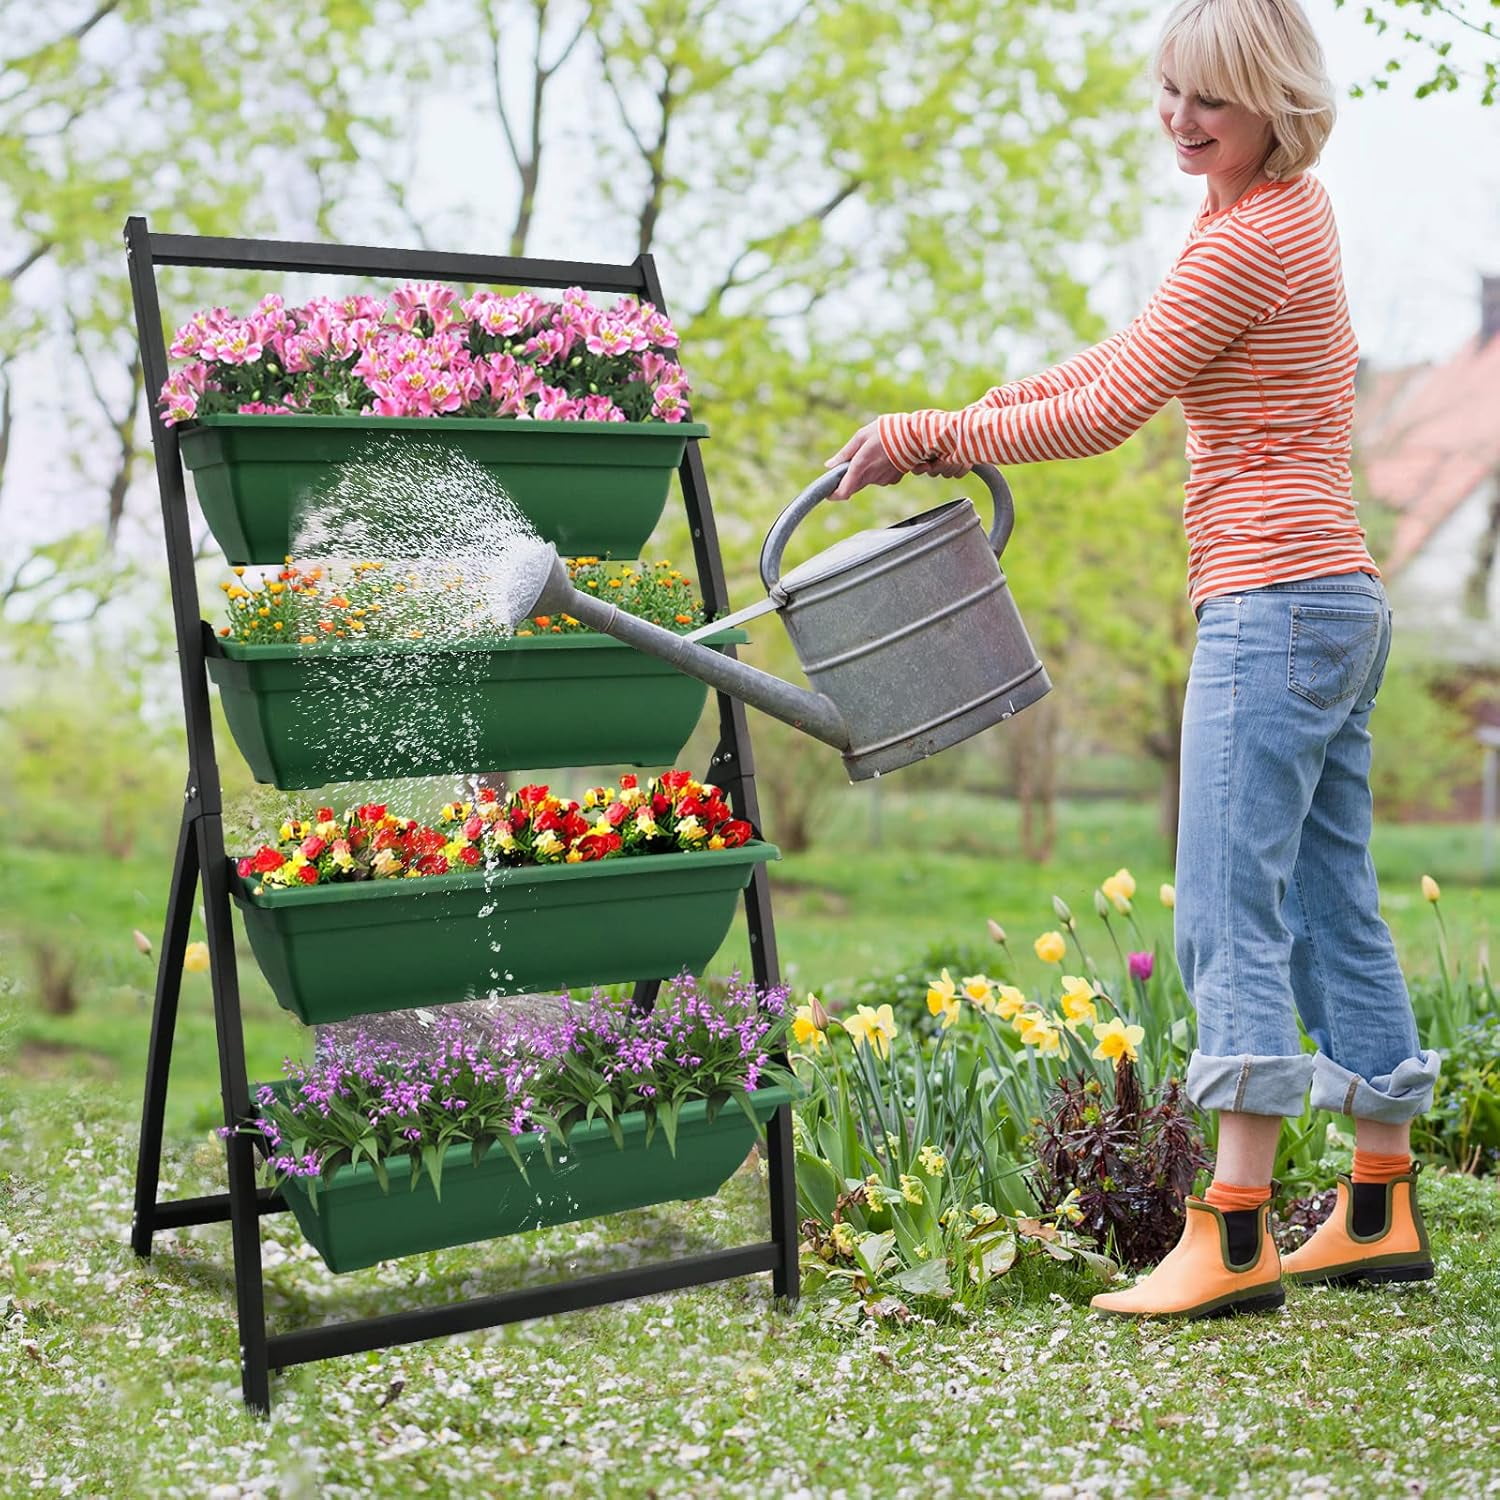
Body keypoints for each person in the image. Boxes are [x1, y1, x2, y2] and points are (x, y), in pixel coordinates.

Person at [826, 0, 1440, 1319]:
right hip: (1331, 594)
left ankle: (1229, 1236)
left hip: (1271, 602)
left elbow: (1111, 412)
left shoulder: (1250, 234)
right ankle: (1378, 1207)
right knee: (1331, 901)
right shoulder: (1270, 214)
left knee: (1227, 903)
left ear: (1273, 98)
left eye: (1207, 99)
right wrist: (989, 410)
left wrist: (925, 434)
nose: (1178, 117)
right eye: (1168, 89)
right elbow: (1130, 355)